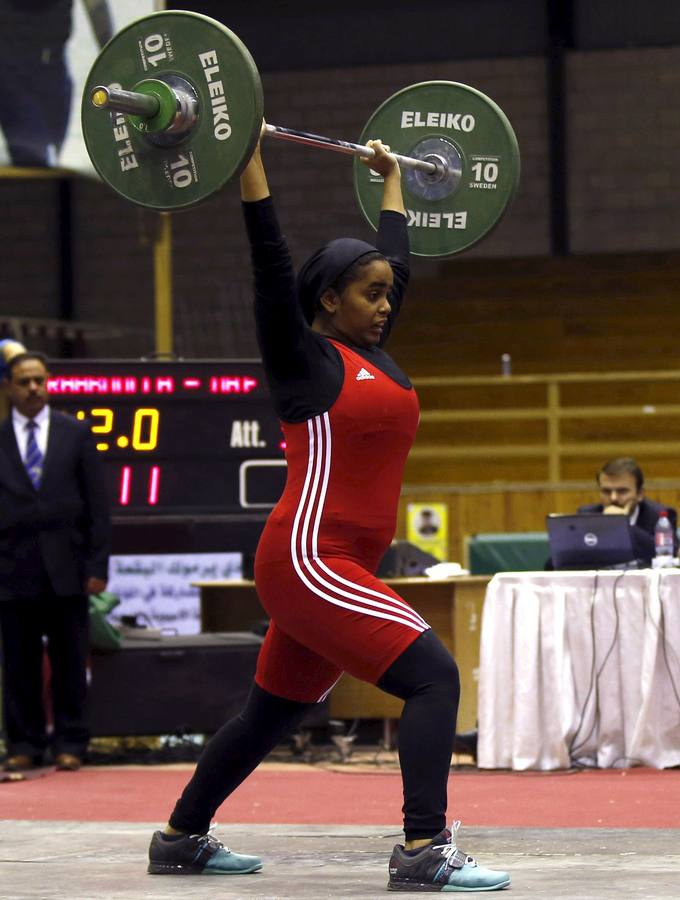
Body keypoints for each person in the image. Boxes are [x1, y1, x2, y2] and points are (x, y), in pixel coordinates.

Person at [146, 135, 510, 892]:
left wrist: (392, 181)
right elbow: (270, 264)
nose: (386, 304)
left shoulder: (373, 354)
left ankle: (179, 837)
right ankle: (422, 848)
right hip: (313, 559)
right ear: (326, 300)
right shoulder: (304, 358)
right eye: (370, 294)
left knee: (271, 716)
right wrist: (249, 162)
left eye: (387, 294)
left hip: (328, 564)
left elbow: (397, 262)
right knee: (434, 677)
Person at [0, 351, 111, 771]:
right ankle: (24, 744)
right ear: (10, 387)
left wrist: (98, 566)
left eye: (39, 381)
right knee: (19, 663)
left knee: (69, 660)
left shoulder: (75, 434)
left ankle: (71, 742)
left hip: (69, 569)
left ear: (48, 384)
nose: (32, 389)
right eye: (24, 381)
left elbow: (97, 506)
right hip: (12, 570)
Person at [0, 0, 113, 166]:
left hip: (55, 67)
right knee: (33, 158)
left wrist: (111, 60)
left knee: (54, 150)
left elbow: (97, 8)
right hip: (11, 72)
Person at [578, 456, 678, 563]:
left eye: (622, 491)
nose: (613, 498)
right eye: (606, 491)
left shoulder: (659, 515)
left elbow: (670, 554)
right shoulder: (587, 515)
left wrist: (623, 525)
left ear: (640, 494)